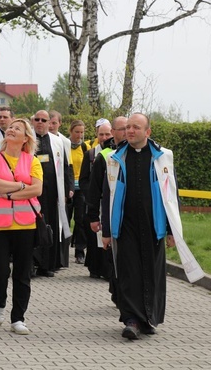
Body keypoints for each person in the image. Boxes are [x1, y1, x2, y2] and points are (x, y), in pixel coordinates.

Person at [100, 113, 178, 339]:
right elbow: (109, 195)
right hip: (125, 225)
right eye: (128, 127)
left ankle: (148, 319)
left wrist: (173, 230)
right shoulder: (116, 158)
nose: (130, 131)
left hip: (153, 224)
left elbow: (172, 195)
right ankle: (131, 320)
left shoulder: (162, 158)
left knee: (152, 273)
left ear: (148, 132)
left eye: (136, 127)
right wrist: (106, 230)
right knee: (129, 273)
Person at [0, 118, 42, 335]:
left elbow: (37, 189)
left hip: (25, 224)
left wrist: (8, 193)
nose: (11, 130)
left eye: (16, 128)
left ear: (26, 138)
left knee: (22, 273)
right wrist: (19, 186)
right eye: (10, 127)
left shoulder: (32, 161)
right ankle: (0, 301)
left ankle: (18, 317)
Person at [32, 110, 73, 276]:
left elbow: (65, 166)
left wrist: (67, 188)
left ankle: (48, 264)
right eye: (37, 119)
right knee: (34, 226)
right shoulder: (28, 139)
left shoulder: (58, 141)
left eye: (44, 120)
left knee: (51, 225)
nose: (40, 122)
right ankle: (33, 264)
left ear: (50, 123)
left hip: (52, 192)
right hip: (33, 191)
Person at [82, 117, 123, 280]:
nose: (105, 137)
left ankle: (108, 271)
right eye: (102, 134)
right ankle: (96, 267)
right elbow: (88, 181)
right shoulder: (95, 154)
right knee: (98, 238)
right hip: (98, 201)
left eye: (107, 134)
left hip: (112, 203)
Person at [66, 120, 88, 264]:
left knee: (80, 220)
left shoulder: (85, 147)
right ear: (70, 131)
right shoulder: (64, 145)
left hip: (81, 189)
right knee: (66, 219)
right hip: (68, 187)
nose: (79, 135)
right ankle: (63, 251)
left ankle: (79, 252)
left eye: (81, 132)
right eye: (76, 132)